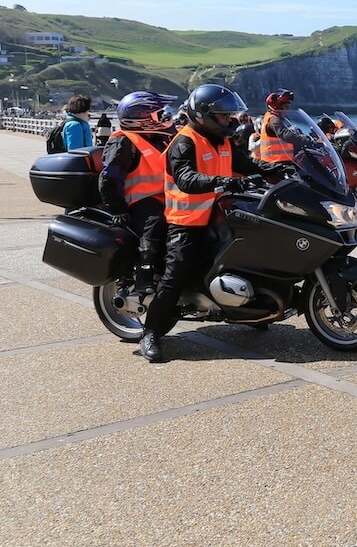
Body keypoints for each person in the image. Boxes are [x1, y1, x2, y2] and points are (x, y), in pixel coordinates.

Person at [138, 85, 288, 363]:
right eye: (223, 115)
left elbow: (247, 163)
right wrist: (224, 181)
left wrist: (279, 168)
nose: (229, 120)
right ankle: (151, 333)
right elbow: (186, 178)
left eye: (231, 115)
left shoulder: (223, 141)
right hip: (186, 221)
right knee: (176, 274)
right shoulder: (184, 142)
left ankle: (250, 310)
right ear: (203, 116)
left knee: (252, 251)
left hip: (219, 214)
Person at [99, 92, 177, 294]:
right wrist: (117, 208)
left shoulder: (158, 138)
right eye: (156, 114)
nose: (163, 117)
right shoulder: (123, 142)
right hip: (138, 200)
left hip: (164, 196)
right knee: (155, 222)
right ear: (140, 118)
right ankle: (144, 275)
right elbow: (109, 178)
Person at [258, 88, 295, 163]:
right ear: (278, 108)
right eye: (286, 107)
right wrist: (306, 140)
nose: (288, 110)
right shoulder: (273, 120)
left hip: (281, 162)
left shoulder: (277, 119)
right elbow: (286, 135)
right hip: (275, 164)